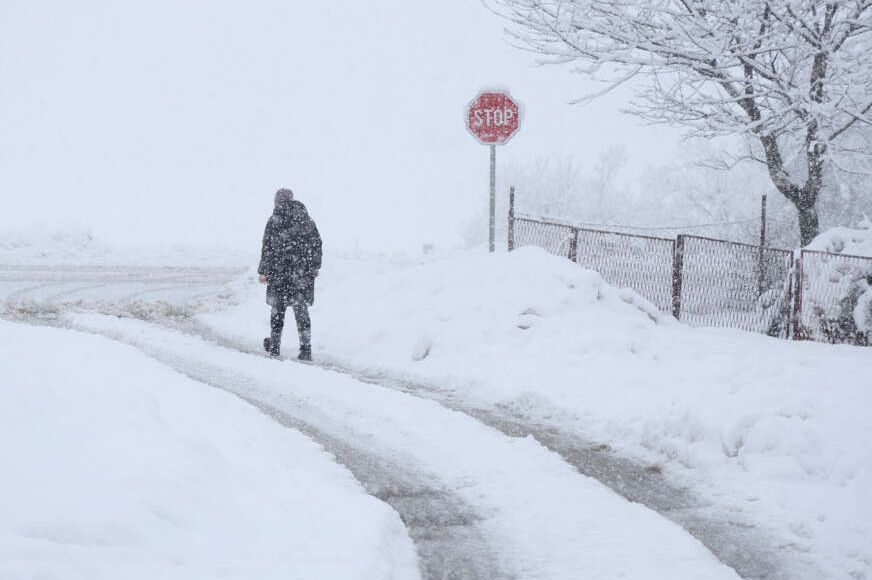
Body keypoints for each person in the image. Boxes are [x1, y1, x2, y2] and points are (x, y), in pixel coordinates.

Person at [258, 188, 322, 361]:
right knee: (301, 310)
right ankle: (306, 349)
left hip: (280, 272)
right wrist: (314, 267)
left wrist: (264, 271)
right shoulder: (307, 220)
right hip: (302, 273)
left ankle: (274, 347)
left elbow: (268, 248)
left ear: (277, 201)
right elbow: (317, 244)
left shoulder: (274, 220)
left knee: (277, 310)